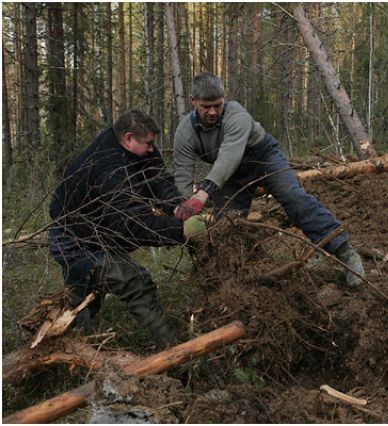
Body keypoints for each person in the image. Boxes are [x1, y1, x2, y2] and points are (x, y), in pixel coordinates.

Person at [172, 72, 365, 287]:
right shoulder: (185, 133)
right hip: (231, 177)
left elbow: (228, 156)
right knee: (226, 225)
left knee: (294, 197)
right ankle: (235, 277)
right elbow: (182, 173)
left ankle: (346, 253)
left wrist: (203, 193)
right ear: (193, 102)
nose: (213, 111)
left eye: (217, 105)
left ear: (224, 98)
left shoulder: (236, 114)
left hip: (263, 158)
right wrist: (183, 206)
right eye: (206, 106)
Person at [49, 109, 207, 348]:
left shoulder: (139, 150)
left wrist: (176, 208)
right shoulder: (109, 168)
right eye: (149, 143)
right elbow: (132, 225)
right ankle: (177, 351)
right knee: (134, 282)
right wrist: (180, 230)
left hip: (99, 232)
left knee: (83, 299)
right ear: (128, 138)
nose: (153, 149)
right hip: (74, 240)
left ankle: (74, 344)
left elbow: (158, 178)